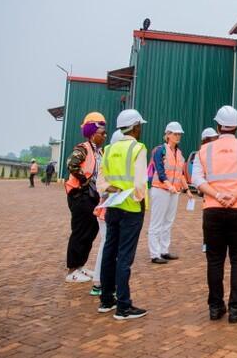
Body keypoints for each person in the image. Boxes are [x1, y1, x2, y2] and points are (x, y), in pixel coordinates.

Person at [192, 105, 237, 323]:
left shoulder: (204, 150)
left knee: (214, 260)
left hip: (213, 209)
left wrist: (218, 195)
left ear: (218, 126)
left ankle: (215, 308)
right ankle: (236, 309)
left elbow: (197, 179)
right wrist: (234, 195)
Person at [97, 109, 149, 320]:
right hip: (132, 209)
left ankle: (106, 299)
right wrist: (137, 199)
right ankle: (123, 306)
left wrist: (114, 190)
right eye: (140, 125)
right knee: (125, 257)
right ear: (134, 127)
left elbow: (101, 182)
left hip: (113, 206)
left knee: (109, 252)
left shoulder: (108, 149)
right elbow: (140, 183)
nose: (141, 129)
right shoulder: (138, 148)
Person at [64, 112, 106, 284]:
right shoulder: (83, 148)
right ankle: (72, 270)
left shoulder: (100, 152)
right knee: (80, 231)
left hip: (92, 197)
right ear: (92, 133)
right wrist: (84, 180)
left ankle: (80, 266)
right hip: (80, 196)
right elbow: (71, 164)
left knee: (90, 231)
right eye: (102, 133)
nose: (105, 136)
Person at [89, 129, 124, 296]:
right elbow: (102, 187)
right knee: (107, 246)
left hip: (110, 208)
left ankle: (103, 281)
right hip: (108, 208)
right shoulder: (111, 161)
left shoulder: (109, 158)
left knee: (109, 246)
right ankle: (99, 282)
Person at [148, 121, 188, 264]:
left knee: (168, 222)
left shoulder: (179, 153)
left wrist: (186, 189)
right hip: (161, 189)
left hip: (173, 191)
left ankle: (164, 250)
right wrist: (168, 184)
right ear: (168, 135)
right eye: (175, 134)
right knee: (157, 222)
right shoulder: (160, 150)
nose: (178, 136)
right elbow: (160, 170)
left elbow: (181, 173)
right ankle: (154, 253)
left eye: (179, 134)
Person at [186, 128, 219, 193]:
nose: (215, 141)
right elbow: (196, 178)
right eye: (212, 138)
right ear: (205, 140)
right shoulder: (200, 155)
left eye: (216, 138)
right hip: (209, 191)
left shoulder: (219, 153)